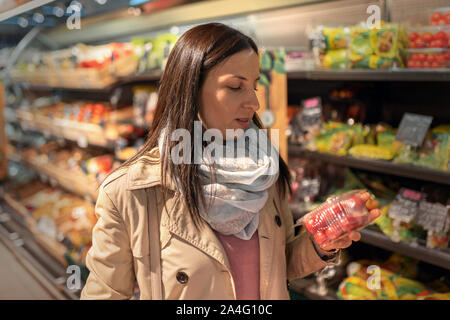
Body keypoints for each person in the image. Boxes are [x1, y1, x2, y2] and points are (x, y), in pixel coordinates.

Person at [80, 22, 381, 300]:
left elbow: (279, 264)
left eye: (254, 86)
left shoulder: (264, 170)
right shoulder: (132, 191)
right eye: (236, 87)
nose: (254, 102)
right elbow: (105, 293)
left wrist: (319, 241)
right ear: (190, 90)